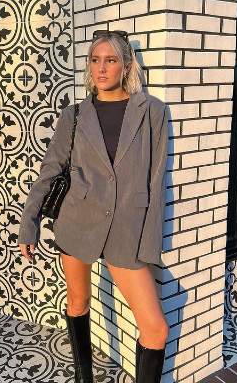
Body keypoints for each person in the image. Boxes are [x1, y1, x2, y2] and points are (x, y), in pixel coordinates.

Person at [18, 29, 169, 382]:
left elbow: (156, 181)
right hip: (78, 224)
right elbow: (50, 170)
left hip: (125, 230)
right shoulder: (74, 115)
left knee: (155, 329)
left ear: (126, 65)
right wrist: (29, 223)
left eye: (110, 60)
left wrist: (148, 246)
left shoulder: (152, 111)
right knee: (77, 303)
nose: (101, 68)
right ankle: (83, 378)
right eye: (95, 60)